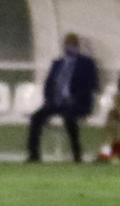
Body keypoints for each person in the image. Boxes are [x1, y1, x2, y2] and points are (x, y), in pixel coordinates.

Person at [26, 33, 99, 163]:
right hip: (56, 102)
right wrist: (50, 99)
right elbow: (49, 83)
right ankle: (34, 154)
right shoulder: (57, 63)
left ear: (77, 46)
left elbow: (91, 85)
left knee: (69, 117)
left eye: (73, 44)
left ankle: (77, 153)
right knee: (36, 117)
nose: (70, 47)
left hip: (77, 102)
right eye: (68, 44)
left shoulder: (87, 64)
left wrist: (75, 98)